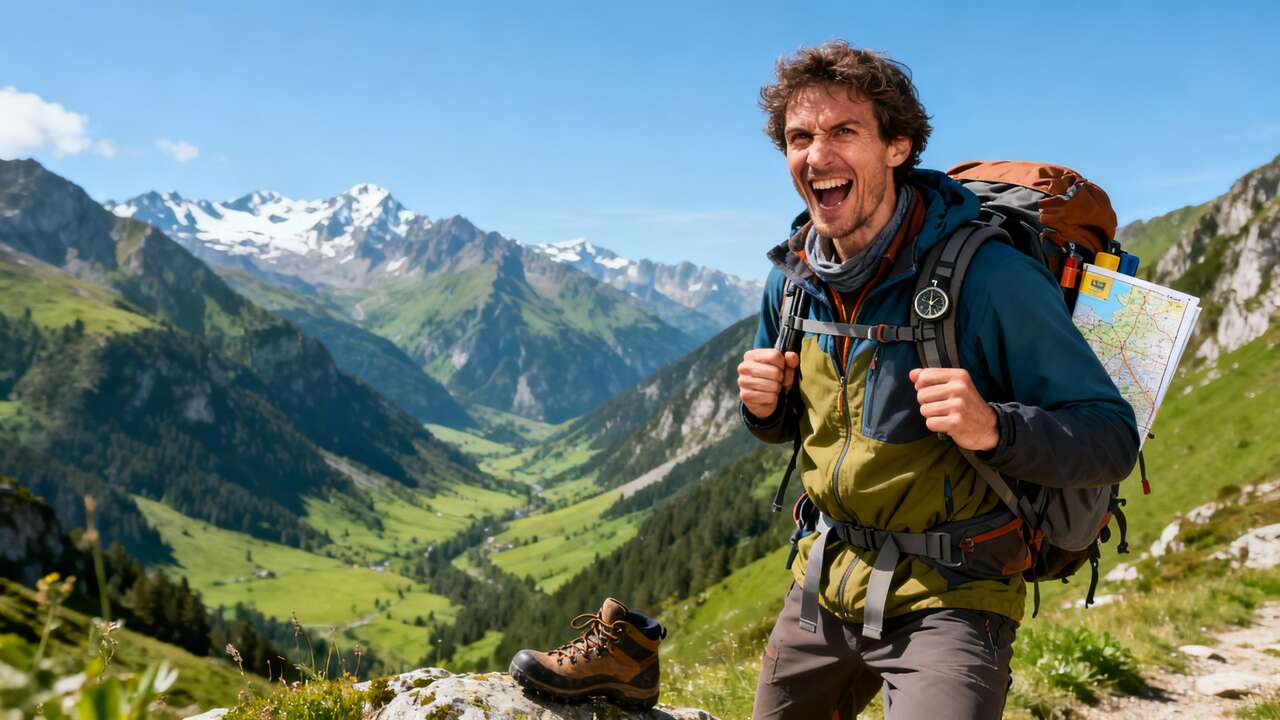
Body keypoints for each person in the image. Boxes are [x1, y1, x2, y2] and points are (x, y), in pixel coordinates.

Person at [737, 40, 1139, 719]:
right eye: (799, 137)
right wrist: (764, 409)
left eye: (844, 131)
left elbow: (1111, 437)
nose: (816, 155)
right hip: (824, 579)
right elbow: (804, 429)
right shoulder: (794, 278)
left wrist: (994, 427)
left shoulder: (989, 277)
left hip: (955, 591)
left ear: (897, 146)